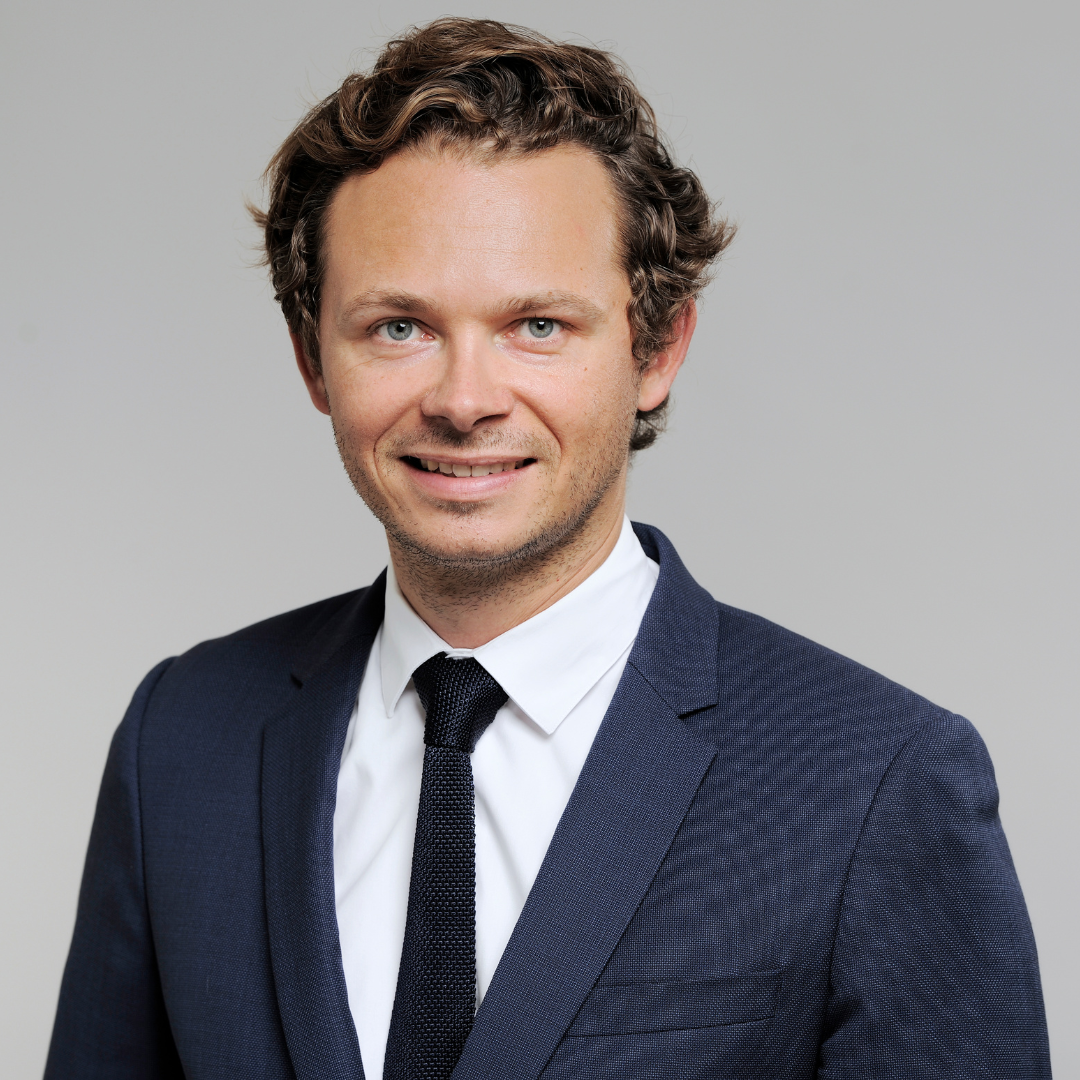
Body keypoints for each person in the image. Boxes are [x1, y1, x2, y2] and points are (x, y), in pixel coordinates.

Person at [45, 17, 1050, 1080]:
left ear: (656, 350)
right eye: (398, 327)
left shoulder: (877, 782)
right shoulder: (181, 739)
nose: (463, 400)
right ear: (312, 358)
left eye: (537, 326)